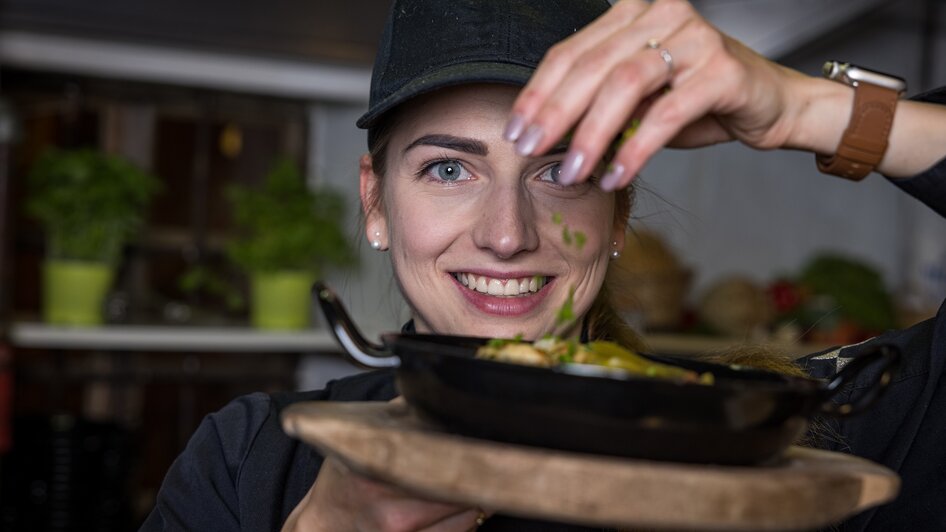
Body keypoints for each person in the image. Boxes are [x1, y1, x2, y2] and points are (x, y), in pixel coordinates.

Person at [141, 0, 946, 530]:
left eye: (564, 170)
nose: (505, 234)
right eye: (448, 169)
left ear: (619, 212)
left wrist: (813, 109)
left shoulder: (772, 454)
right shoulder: (250, 458)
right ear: (377, 204)